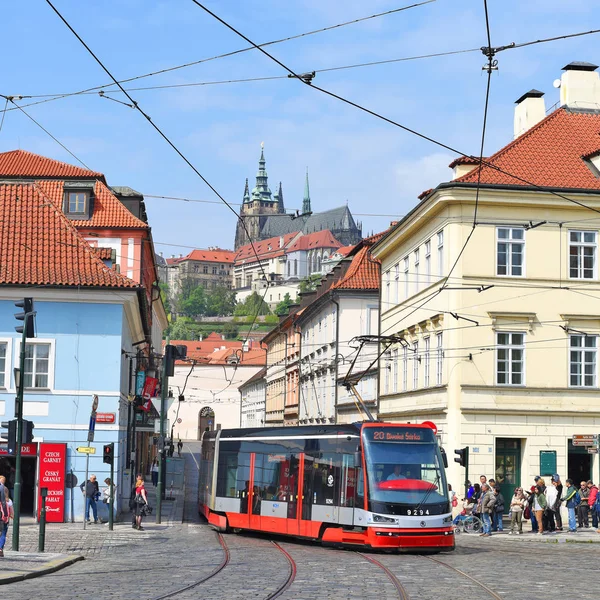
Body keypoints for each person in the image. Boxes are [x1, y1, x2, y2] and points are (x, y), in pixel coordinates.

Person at [0, 476, 9, 558]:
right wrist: (6, 514)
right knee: (3, 533)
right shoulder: (2, 488)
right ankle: (0, 549)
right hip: (2, 517)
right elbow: (4, 502)